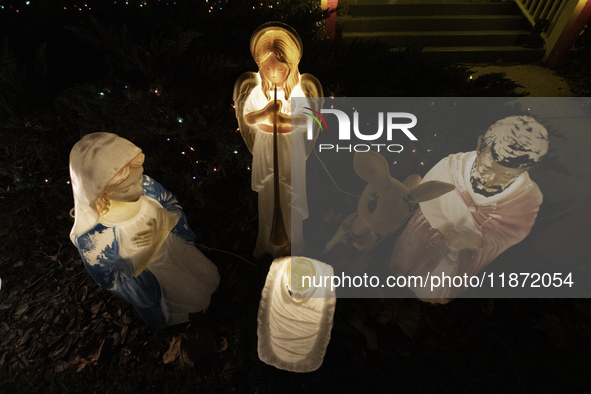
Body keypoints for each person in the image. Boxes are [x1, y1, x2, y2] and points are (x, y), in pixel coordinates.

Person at [389, 116, 549, 302]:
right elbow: (427, 194)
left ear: (525, 169)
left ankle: (433, 295)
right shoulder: (451, 168)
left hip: (466, 250)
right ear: (480, 146)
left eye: (505, 176)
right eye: (486, 168)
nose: (491, 180)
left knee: (441, 279)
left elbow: (513, 232)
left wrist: (478, 240)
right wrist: (445, 226)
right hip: (429, 228)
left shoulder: (525, 198)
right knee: (408, 258)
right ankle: (398, 276)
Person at [69, 132, 219, 328]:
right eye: (126, 188)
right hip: (159, 276)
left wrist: (168, 221)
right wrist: (151, 247)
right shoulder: (96, 235)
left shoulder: (146, 185)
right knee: (196, 302)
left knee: (211, 277)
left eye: (138, 178)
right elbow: (111, 278)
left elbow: (170, 203)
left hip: (178, 251)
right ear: (100, 193)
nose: (139, 189)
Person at [234, 22, 323, 258]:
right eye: (266, 69)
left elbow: (305, 119)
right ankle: (266, 241)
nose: (273, 74)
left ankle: (294, 242)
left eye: (279, 70)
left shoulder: (296, 91)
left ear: (290, 67)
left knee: (289, 190)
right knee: (268, 194)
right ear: (260, 67)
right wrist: (264, 113)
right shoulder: (257, 91)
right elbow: (248, 116)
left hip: (288, 146)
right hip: (265, 145)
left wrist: (282, 116)